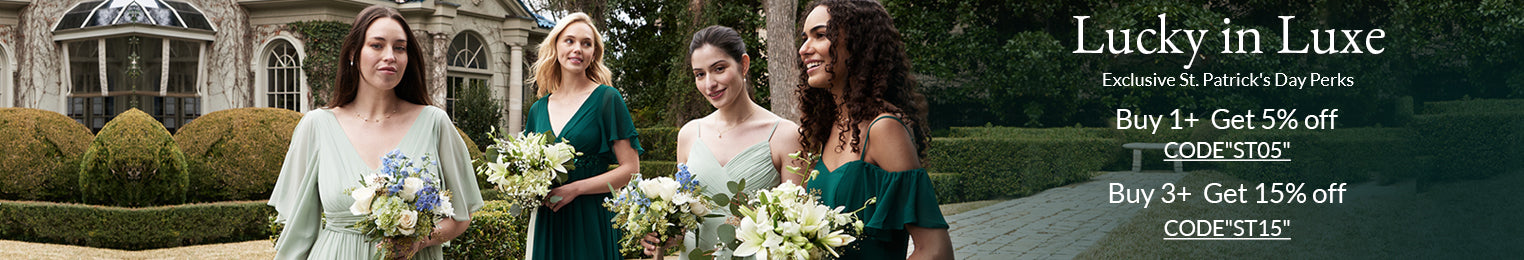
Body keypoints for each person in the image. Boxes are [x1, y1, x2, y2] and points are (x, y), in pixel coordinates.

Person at [268, 5, 483, 259]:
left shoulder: (434, 123)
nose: (390, 56)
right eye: (377, 45)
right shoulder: (316, 126)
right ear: (353, 53)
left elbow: (462, 215)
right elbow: (297, 229)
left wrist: (419, 241)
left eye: (400, 48)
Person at [795, 0, 953, 259]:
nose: (804, 49)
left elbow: (935, 249)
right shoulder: (822, 131)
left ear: (858, 45)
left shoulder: (884, 129)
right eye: (804, 38)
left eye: (820, 35)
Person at [638, 25, 806, 259]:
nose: (709, 84)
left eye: (719, 69)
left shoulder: (786, 135)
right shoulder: (688, 134)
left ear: (744, 64)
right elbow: (686, 221)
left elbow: (795, 230)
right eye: (700, 74)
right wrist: (661, 236)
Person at [523, 12, 644, 260]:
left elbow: (631, 169)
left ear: (593, 54)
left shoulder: (608, 99)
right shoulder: (537, 110)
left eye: (586, 43)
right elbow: (527, 171)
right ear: (555, 46)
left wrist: (575, 189)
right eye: (569, 41)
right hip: (549, 219)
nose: (577, 48)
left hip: (592, 218)